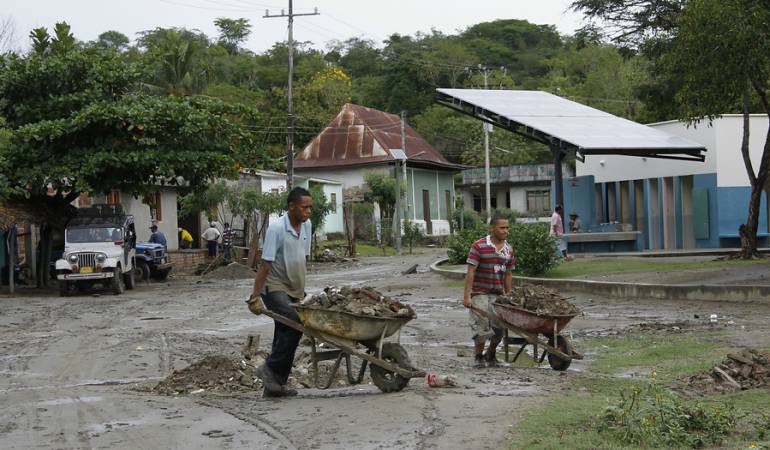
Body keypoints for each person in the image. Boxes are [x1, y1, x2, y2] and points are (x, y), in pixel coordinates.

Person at [249, 187, 312, 397]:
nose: (308, 212)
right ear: (291, 206)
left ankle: (275, 385)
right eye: (304, 208)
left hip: (295, 288)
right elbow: (265, 265)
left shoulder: (307, 226)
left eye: (310, 208)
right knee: (295, 323)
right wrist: (255, 296)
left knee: (284, 331)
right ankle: (269, 369)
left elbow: (303, 259)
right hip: (274, 286)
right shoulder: (276, 228)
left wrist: (303, 292)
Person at [463, 213, 515, 368]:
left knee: (500, 327)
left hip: (498, 293)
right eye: (502, 228)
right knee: (481, 324)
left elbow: (508, 274)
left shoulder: (509, 250)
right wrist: (467, 296)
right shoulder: (478, 246)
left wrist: (509, 297)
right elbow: (471, 271)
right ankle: (478, 357)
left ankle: (491, 355)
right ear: (492, 228)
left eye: (507, 228)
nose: (506, 231)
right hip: (479, 292)